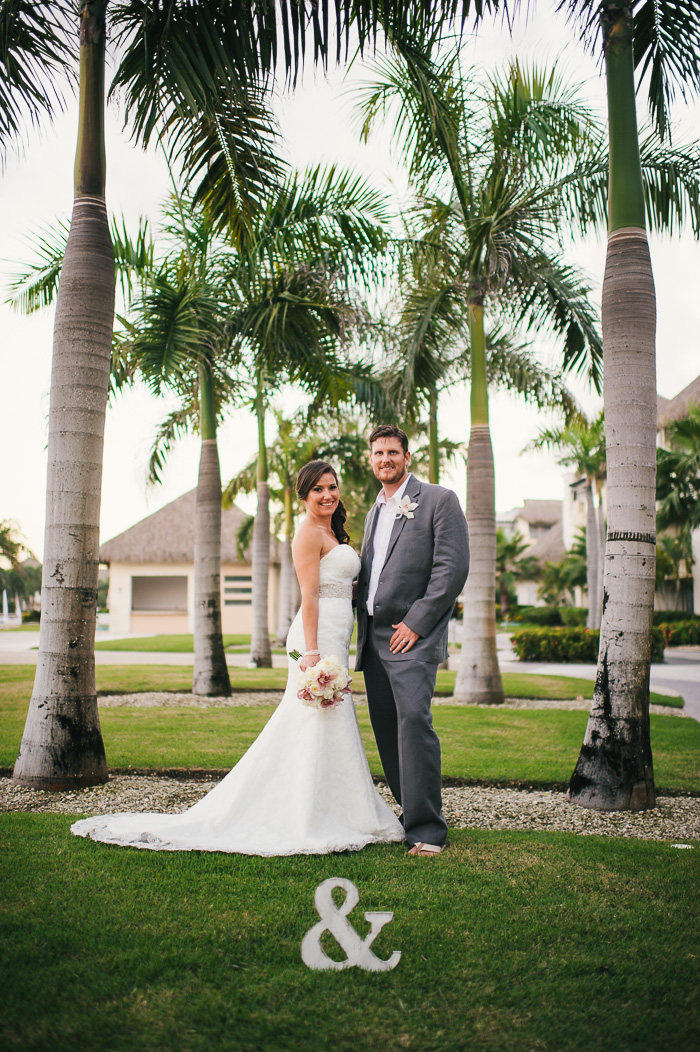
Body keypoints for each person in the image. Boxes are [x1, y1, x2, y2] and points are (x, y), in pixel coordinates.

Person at [71, 461, 404, 855]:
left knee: (331, 719)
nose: (328, 494)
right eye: (318, 489)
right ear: (303, 496)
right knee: (313, 718)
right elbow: (310, 597)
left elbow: (340, 587)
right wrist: (311, 652)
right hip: (317, 636)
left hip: (336, 631)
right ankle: (306, 814)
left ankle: (341, 807)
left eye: (332, 487)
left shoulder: (331, 530)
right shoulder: (306, 534)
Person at [355, 425, 470, 857]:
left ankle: (427, 831)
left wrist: (417, 623)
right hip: (372, 639)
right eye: (377, 453)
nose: (384, 459)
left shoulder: (439, 501)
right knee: (387, 731)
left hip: (411, 639)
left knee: (414, 727)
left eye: (392, 452)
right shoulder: (374, 511)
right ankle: (410, 813)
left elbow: (451, 570)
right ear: (371, 459)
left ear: (407, 456)